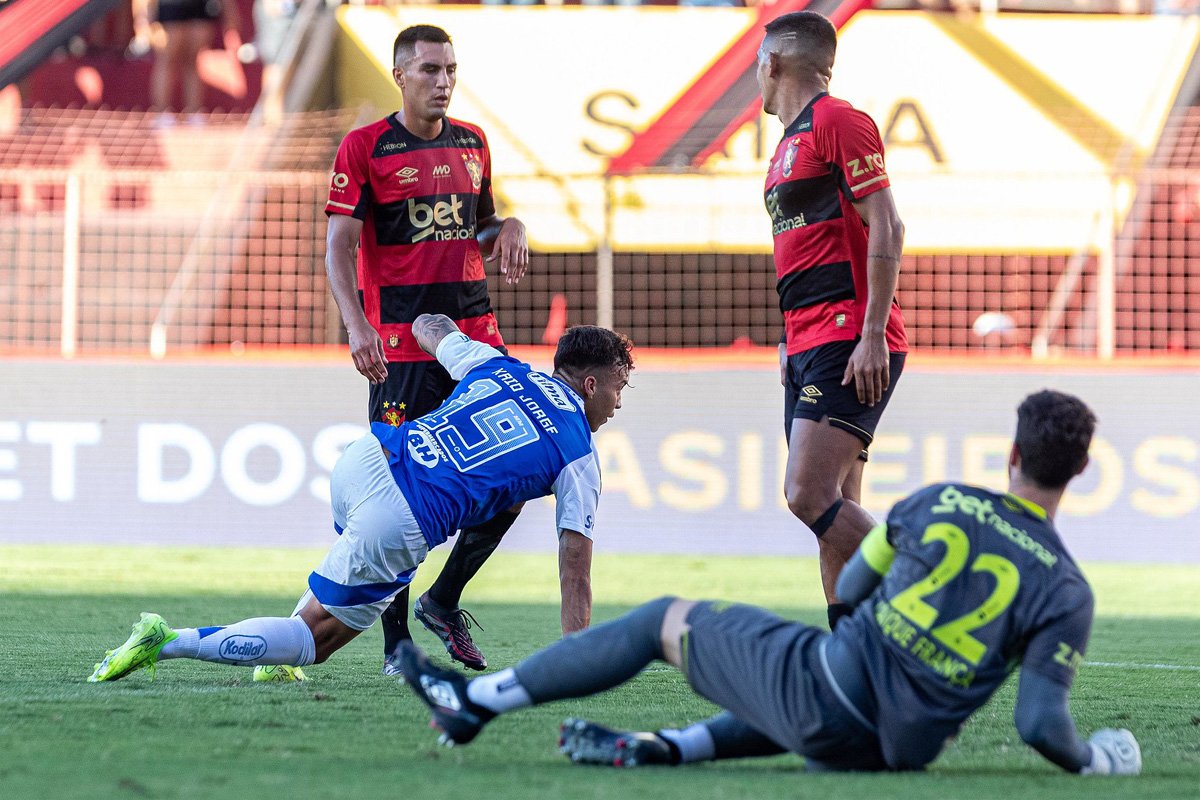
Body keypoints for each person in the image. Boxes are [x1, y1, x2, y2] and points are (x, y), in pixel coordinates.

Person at [400, 390, 1142, 777]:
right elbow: (1041, 727)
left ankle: (474, 702)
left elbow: (854, 580)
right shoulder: (1069, 592)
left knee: (665, 618)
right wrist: (1100, 759)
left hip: (833, 695)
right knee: (798, 690)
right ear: (1080, 470)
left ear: (1010, 452)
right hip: (894, 748)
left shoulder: (936, 502)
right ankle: (668, 750)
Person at [88, 314, 633, 683]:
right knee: (311, 642)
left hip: (366, 456)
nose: (617, 403)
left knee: (348, 578)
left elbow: (429, 326)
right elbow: (575, 568)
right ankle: (166, 641)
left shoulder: (499, 367)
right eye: (617, 388)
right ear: (589, 385)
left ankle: (277, 658)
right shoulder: (579, 453)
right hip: (402, 516)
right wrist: (574, 659)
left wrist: (438, 319)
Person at [323, 24, 531, 675]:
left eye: (450, 70)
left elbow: (481, 221)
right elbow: (338, 245)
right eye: (429, 71)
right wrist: (356, 325)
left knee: (519, 475)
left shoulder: (473, 144)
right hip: (401, 351)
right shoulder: (366, 147)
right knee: (398, 496)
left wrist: (510, 226)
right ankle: (396, 647)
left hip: (474, 343)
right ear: (400, 75)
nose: (443, 82)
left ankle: (443, 600)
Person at [757, 11, 910, 632]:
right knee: (838, 507)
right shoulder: (788, 142)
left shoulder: (837, 120)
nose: (756, 80)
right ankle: (851, 648)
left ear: (774, 63)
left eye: (758, 67)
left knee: (806, 495)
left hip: (849, 337)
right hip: (809, 341)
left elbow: (889, 225)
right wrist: (790, 342)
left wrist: (872, 332)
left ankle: (938, 586)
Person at [132, 0, 241, 126]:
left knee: (191, 61)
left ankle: (193, 114)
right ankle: (163, 114)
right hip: (171, 6)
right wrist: (142, 17)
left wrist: (229, 11)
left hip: (198, 8)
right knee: (167, 60)